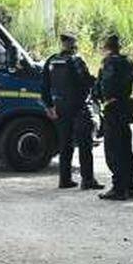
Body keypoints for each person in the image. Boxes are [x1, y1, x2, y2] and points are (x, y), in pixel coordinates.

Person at [41, 33, 104, 190]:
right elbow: (85, 81)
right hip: (78, 107)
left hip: (60, 107)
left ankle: (65, 179)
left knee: (65, 144)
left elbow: (44, 86)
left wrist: (49, 106)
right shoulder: (75, 60)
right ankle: (87, 179)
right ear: (73, 45)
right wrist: (98, 83)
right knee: (85, 144)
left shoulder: (51, 60)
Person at [92, 35, 133, 201]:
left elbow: (102, 87)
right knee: (126, 149)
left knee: (113, 150)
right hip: (126, 108)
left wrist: (99, 97)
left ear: (106, 48)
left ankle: (118, 188)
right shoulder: (129, 63)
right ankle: (129, 187)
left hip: (112, 108)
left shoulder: (108, 63)